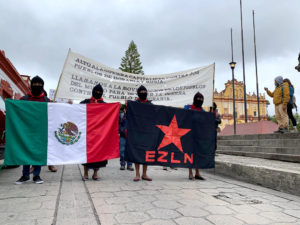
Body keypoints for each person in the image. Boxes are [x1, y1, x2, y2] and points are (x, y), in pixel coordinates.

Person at [15, 76, 50, 184]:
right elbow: (17, 112)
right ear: (31, 85)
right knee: (26, 152)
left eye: (39, 85)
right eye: (34, 84)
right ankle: (25, 175)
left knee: (38, 154)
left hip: (40, 132)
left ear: (42, 86)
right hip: (26, 131)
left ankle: (36, 175)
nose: (37, 86)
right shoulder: (24, 99)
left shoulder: (46, 100)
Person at [80, 84, 108, 181]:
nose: (98, 93)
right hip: (87, 133)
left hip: (100, 135)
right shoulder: (85, 102)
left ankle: (95, 173)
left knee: (98, 155)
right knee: (85, 155)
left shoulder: (105, 104)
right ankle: (85, 173)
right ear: (93, 91)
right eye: (96, 91)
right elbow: (77, 112)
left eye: (100, 91)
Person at [184, 92, 206, 181]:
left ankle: (197, 173)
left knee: (198, 155)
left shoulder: (203, 111)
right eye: (198, 98)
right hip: (189, 134)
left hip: (199, 135)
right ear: (194, 99)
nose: (199, 100)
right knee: (190, 154)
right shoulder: (187, 107)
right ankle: (190, 173)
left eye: (201, 99)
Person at [133, 85, 152, 182]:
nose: (143, 93)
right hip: (137, 132)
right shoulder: (134, 104)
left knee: (146, 154)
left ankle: (144, 174)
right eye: (141, 92)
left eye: (145, 92)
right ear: (138, 93)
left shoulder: (150, 104)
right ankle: (137, 174)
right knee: (137, 153)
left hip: (147, 133)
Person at [119, 101, 134, 171]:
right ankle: (122, 164)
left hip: (131, 136)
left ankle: (130, 165)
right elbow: (118, 124)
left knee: (130, 151)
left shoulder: (133, 115)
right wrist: (120, 130)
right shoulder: (121, 115)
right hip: (122, 136)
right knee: (122, 150)